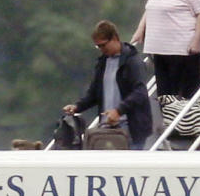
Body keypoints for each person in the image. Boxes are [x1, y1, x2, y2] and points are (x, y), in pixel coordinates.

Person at [63, 20, 153, 150]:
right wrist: (77, 107)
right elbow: (94, 94)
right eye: (98, 46)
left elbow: (140, 92)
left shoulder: (132, 61)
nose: (101, 49)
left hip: (131, 129)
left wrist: (118, 111)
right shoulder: (102, 63)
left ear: (115, 38)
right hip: (107, 129)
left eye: (103, 45)